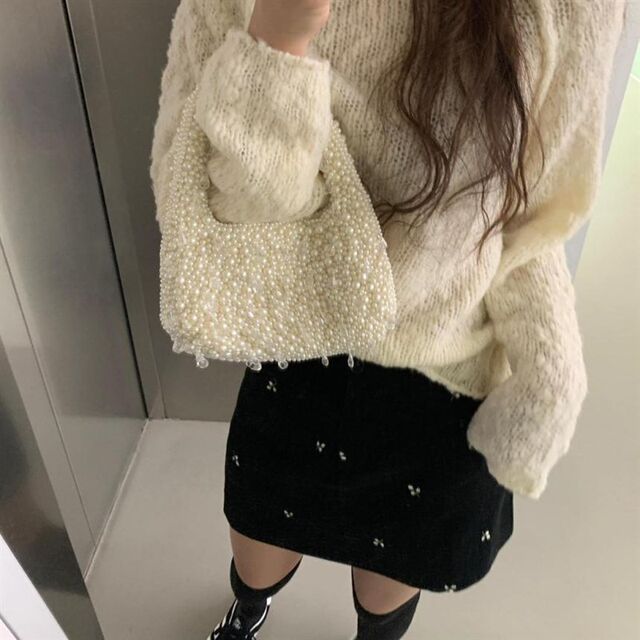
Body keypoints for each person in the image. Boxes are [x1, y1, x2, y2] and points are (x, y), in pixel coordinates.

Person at [149, 1, 626, 638]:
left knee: (391, 576)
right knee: (258, 542)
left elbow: (529, 223)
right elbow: (214, 206)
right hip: (304, 336)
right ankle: (248, 612)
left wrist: (552, 371)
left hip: (443, 375)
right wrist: (275, 46)